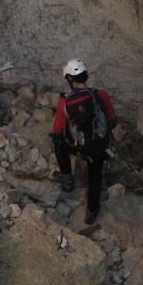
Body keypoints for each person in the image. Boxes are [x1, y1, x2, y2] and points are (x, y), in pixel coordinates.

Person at [51, 58, 116, 226]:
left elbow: (57, 129)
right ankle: (92, 210)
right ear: (86, 75)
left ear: (69, 79)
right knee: (95, 174)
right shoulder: (101, 94)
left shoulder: (65, 100)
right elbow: (112, 120)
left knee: (57, 141)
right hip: (98, 146)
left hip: (79, 147)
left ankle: (67, 180)